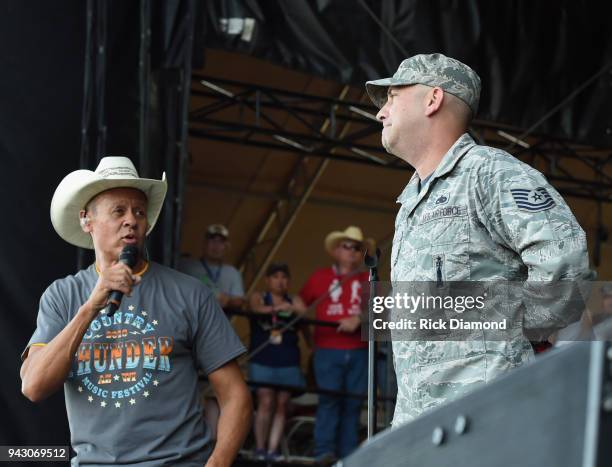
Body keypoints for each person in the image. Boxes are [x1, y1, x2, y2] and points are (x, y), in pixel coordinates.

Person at [365, 53, 591, 426]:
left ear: (433, 99)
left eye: (392, 97)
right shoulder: (409, 201)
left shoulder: (489, 173)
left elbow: (563, 260)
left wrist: (517, 338)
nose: (381, 113)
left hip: (488, 414)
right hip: (421, 422)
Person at [20, 157, 252, 466]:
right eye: (118, 210)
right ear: (86, 220)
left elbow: (235, 395)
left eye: (139, 212)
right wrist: (91, 305)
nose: (131, 220)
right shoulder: (63, 295)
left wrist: (218, 463)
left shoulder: (189, 293)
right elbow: (33, 386)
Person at [300, 226, 374, 462]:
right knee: (329, 401)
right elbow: (298, 303)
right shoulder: (319, 277)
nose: (352, 251)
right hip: (327, 349)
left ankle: (348, 457)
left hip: (359, 350)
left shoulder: (368, 277)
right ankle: (324, 453)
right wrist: (310, 339)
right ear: (336, 251)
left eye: (357, 247)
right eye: (347, 246)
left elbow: (382, 309)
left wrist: (358, 319)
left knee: (353, 404)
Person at [248, 262, 307, 461]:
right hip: (263, 358)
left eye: (284, 277)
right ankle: (259, 448)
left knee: (282, 403)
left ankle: (273, 450)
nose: (280, 281)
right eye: (275, 276)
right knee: (265, 400)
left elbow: (304, 312)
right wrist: (279, 308)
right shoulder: (259, 296)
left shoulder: (294, 299)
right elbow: (255, 308)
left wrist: (292, 308)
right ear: (267, 280)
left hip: (288, 359)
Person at [179, 224, 245, 309]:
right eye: (212, 241)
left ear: (226, 246)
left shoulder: (232, 272)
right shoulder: (187, 267)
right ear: (204, 243)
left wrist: (227, 301)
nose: (216, 246)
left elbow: (239, 300)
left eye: (220, 242)